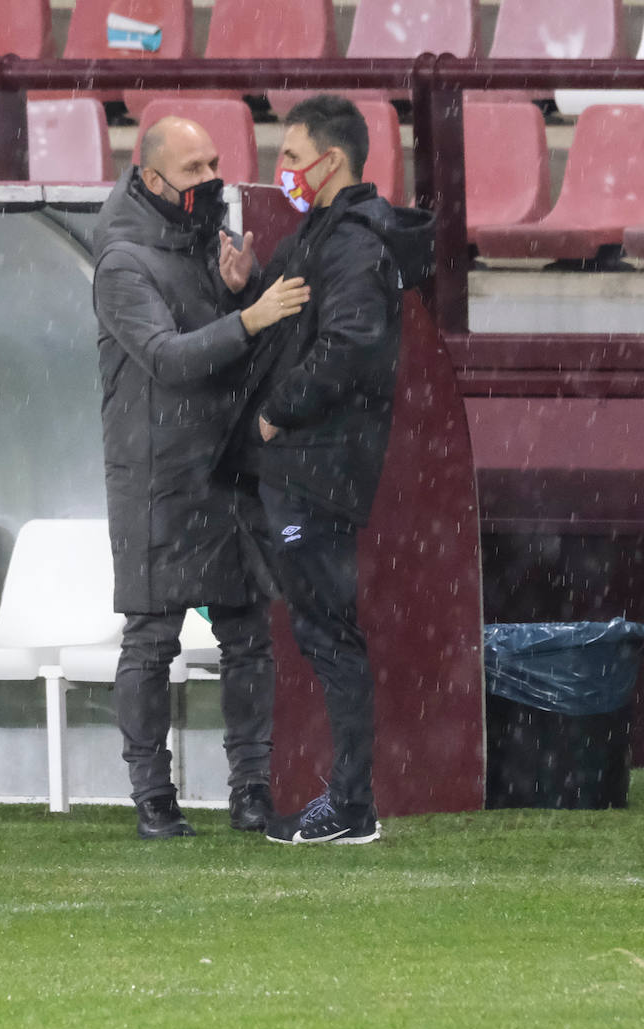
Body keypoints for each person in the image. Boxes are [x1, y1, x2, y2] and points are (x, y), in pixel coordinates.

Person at [94, 116, 310, 839]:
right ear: (152, 180)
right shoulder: (124, 262)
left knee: (249, 634)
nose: (210, 179)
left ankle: (251, 790)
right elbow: (168, 359)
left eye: (214, 162)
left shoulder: (200, 245)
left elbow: (213, 353)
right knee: (152, 639)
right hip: (157, 478)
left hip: (224, 470)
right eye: (194, 169)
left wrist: (231, 293)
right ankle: (152, 795)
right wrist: (249, 316)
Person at [229, 95, 433, 845]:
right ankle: (347, 802)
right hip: (313, 468)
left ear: (332, 160)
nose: (280, 169)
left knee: (328, 634)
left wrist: (277, 412)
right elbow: (305, 322)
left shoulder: (349, 242)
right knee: (324, 631)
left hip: (314, 468)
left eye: (290, 154)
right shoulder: (330, 233)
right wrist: (249, 284)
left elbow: (349, 343)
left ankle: (350, 807)